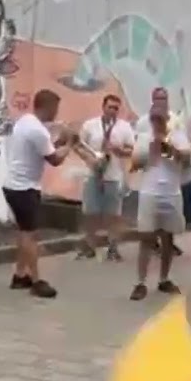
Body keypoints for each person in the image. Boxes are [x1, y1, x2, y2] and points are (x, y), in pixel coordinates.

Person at [1, 89, 73, 299]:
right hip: (24, 188)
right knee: (29, 235)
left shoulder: (25, 121)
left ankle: (19, 275)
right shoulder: (37, 130)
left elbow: (45, 149)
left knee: (25, 232)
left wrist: (60, 143)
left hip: (15, 186)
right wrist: (70, 144)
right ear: (48, 107)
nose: (56, 113)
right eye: (55, 108)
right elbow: (55, 159)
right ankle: (36, 280)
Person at [128, 104, 191, 301]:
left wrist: (172, 149)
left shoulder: (178, 135)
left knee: (168, 238)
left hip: (171, 192)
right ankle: (141, 282)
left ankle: (164, 278)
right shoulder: (144, 137)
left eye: (160, 118)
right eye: (154, 118)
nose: (157, 121)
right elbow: (135, 165)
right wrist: (150, 151)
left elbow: (188, 160)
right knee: (146, 238)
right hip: (150, 192)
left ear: (167, 118)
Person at [77, 94, 135, 261]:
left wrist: (119, 151)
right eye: (110, 107)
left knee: (114, 214)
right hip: (93, 174)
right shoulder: (90, 125)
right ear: (103, 107)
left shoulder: (124, 127)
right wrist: (89, 159)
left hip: (113, 176)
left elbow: (132, 150)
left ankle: (113, 247)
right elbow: (79, 146)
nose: (113, 111)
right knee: (90, 213)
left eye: (116, 108)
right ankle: (89, 246)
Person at [134, 87, 186, 258]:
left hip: (171, 176)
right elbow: (138, 150)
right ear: (152, 100)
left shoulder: (176, 120)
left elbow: (184, 150)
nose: (160, 102)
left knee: (169, 222)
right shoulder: (143, 122)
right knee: (149, 220)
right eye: (157, 98)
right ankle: (152, 244)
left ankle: (168, 245)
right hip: (151, 175)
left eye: (163, 98)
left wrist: (170, 146)